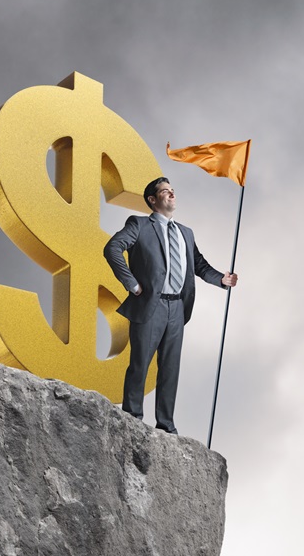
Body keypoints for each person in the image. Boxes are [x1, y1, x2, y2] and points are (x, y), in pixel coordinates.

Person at [104, 177, 238, 434]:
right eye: (165, 191)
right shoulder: (140, 225)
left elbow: (198, 265)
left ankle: (166, 425)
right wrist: (132, 284)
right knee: (140, 364)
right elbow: (113, 248)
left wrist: (221, 279)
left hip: (177, 308)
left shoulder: (185, 232)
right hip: (150, 305)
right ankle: (132, 419)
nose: (172, 194)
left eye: (173, 190)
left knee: (170, 368)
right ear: (153, 200)